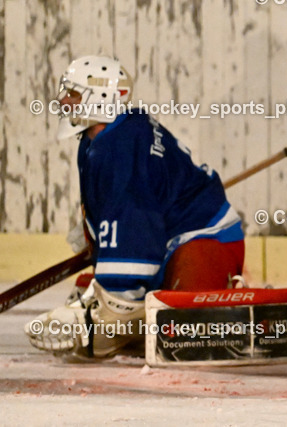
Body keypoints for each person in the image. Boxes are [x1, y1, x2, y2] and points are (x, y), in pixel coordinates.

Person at [25, 56, 244, 358]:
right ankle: (136, 322)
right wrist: (94, 233)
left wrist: (114, 304)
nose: (63, 100)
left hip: (205, 242)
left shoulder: (120, 147)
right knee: (96, 291)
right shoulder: (102, 138)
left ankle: (209, 303)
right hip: (163, 243)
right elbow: (116, 210)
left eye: (73, 94)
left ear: (102, 98)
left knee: (182, 332)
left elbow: (134, 221)